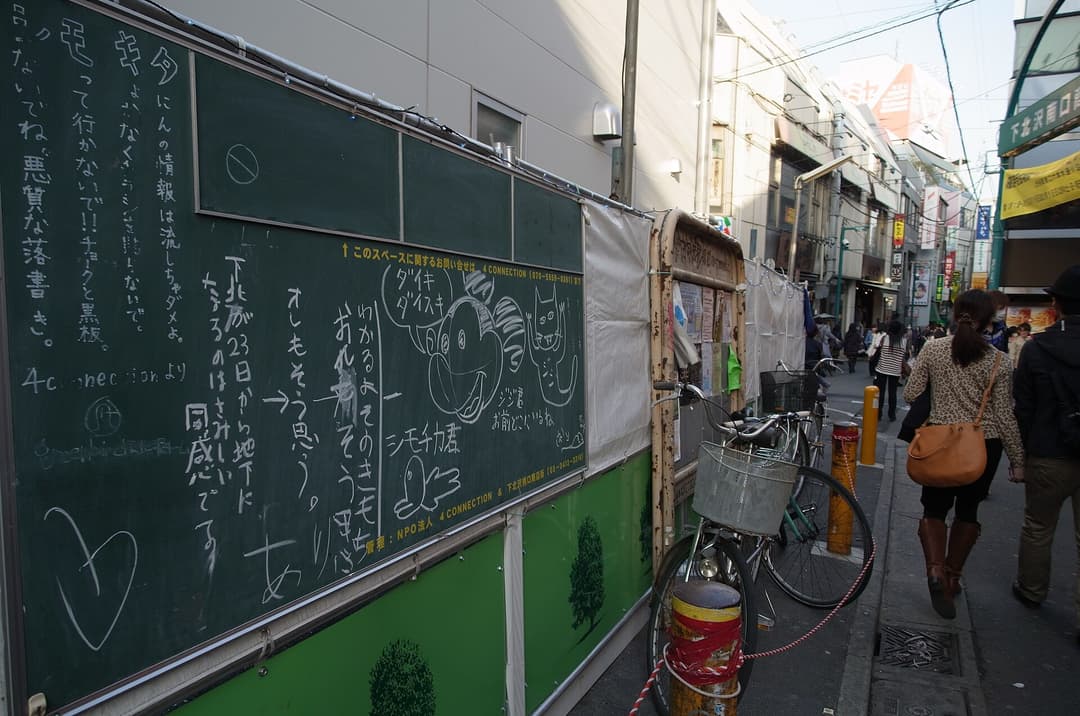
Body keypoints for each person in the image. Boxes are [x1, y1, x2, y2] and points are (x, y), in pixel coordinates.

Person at [903, 289, 1025, 620]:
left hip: (939, 442)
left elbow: (911, 392)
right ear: (989, 322)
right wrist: (1018, 460)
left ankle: (935, 570)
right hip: (982, 447)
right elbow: (1004, 415)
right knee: (968, 511)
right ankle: (953, 578)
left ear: (956, 316)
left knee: (934, 509)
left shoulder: (933, 349)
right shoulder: (1000, 361)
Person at [1011, 265, 1080, 644]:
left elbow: (1023, 407)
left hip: (1048, 452)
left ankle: (1031, 590)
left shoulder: (1037, 349)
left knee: (1038, 527)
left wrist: (1019, 458)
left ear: (1056, 305)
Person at [870, 319, 908, 424]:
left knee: (880, 393)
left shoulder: (884, 338)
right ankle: (892, 414)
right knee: (893, 393)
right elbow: (904, 356)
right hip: (895, 371)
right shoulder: (904, 341)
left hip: (882, 369)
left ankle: (879, 414)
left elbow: (877, 352)